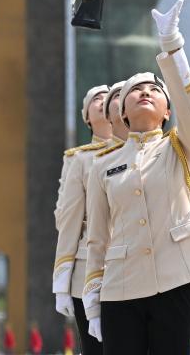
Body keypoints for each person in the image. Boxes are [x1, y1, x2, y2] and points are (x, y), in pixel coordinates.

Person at [83, 0, 190, 355]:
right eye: (136, 92)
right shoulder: (103, 166)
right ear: (123, 114)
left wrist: (171, 44)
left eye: (155, 91)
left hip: (176, 277)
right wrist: (93, 293)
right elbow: (97, 236)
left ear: (166, 112)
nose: (146, 93)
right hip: (120, 287)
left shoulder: (181, 147)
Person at [53, 84, 112, 355]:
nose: (103, 101)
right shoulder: (79, 159)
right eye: (95, 99)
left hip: (130, 261)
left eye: (110, 98)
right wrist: (61, 284)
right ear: (86, 116)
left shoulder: (140, 153)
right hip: (88, 265)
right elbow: (66, 221)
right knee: (94, 346)